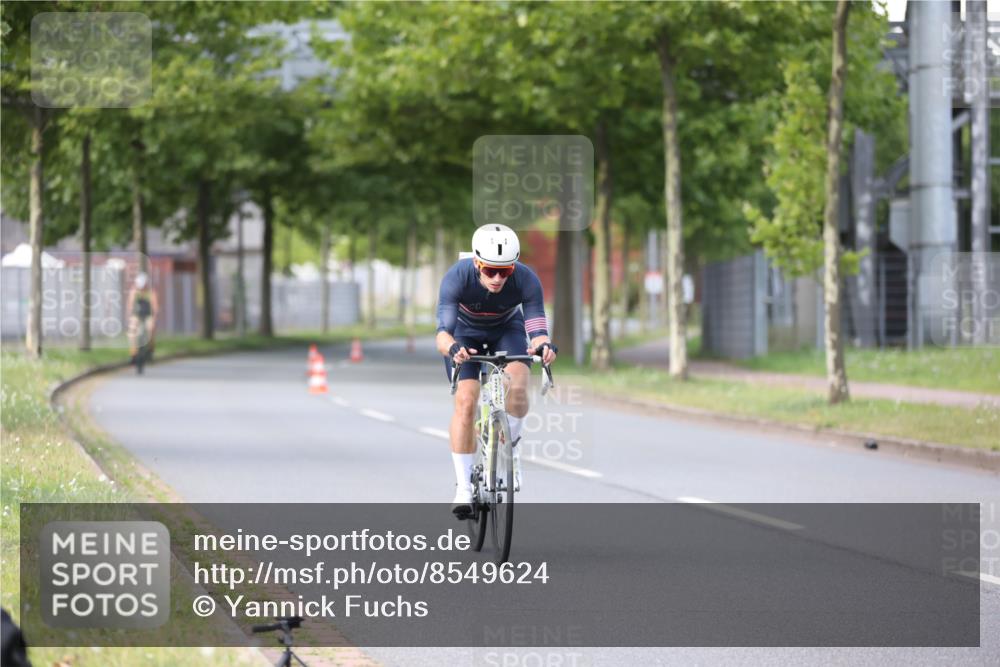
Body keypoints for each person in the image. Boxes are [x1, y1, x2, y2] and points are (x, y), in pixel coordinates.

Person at [436, 224, 557, 518]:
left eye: (505, 271)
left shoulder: (526, 280)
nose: (498, 277)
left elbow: (537, 328)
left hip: (506, 329)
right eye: (490, 270)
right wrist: (454, 349)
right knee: (466, 401)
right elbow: (443, 334)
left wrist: (543, 346)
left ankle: (511, 451)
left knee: (518, 384)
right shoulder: (457, 277)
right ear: (477, 263)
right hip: (464, 335)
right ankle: (464, 487)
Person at [126, 272, 158, 362]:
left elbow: (155, 307)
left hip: (148, 315)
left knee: (151, 328)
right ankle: (133, 354)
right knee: (132, 332)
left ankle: (150, 351)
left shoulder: (151, 292)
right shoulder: (134, 291)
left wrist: (154, 318)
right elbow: (130, 305)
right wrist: (129, 318)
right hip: (137, 315)